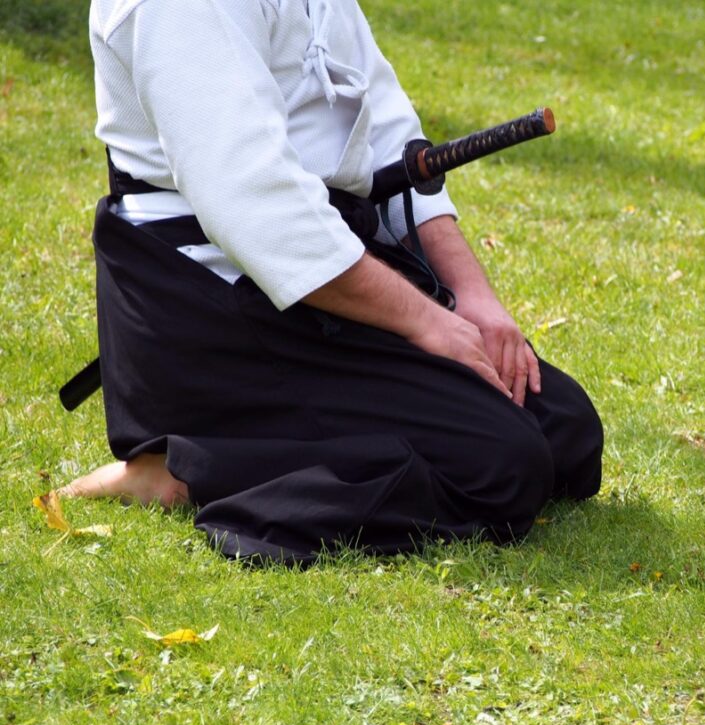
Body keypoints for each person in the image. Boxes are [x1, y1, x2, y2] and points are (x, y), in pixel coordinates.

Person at [62, 0, 602, 564]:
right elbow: (256, 203)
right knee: (500, 466)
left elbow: (392, 139)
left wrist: (473, 299)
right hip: (218, 316)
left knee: (565, 431)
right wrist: (427, 322)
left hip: (333, 275)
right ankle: (190, 468)